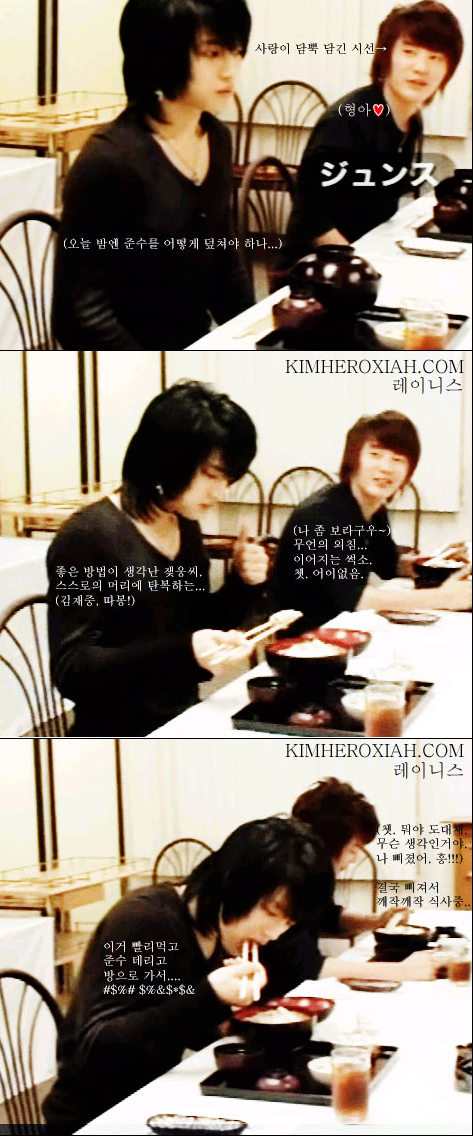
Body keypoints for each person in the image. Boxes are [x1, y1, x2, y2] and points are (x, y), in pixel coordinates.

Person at [42, 816, 333, 1132]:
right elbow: (97, 1047)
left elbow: (176, 1026)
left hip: (154, 1100)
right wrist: (210, 995)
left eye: (288, 923)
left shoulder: (216, 934)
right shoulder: (146, 922)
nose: (274, 933)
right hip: (96, 1117)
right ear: (236, 885)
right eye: (273, 913)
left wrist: (239, 1012)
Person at [47, 382, 269, 736]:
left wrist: (242, 582)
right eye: (212, 475)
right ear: (167, 459)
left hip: (184, 719)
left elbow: (196, 624)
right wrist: (182, 653)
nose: (221, 492)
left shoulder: (184, 523)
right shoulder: (87, 537)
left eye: (228, 478)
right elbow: (72, 669)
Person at [52, 0, 254, 350]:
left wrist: (258, 340)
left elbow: (225, 269)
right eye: (213, 53)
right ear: (163, 56)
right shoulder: (111, 162)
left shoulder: (216, 137)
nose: (231, 69)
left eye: (236, 50)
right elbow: (81, 317)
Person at [282, 1, 464, 266]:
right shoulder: (348, 120)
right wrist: (366, 268)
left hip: (366, 253)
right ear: (386, 56)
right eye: (409, 52)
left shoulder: (412, 120)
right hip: (314, 272)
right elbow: (311, 220)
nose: (421, 67)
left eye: (435, 57)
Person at [271, 410, 471, 629]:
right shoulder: (320, 517)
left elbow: (388, 565)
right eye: (375, 454)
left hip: (342, 628)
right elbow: (355, 599)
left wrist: (436, 562)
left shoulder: (374, 508)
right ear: (353, 458)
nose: (386, 468)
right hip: (301, 637)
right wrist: (445, 598)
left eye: (397, 459)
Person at [261, 779, 444, 991]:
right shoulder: (286, 879)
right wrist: (400, 971)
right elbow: (301, 964)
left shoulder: (315, 875)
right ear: (326, 843)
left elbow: (326, 916)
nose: (356, 857)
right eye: (354, 848)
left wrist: (376, 921)